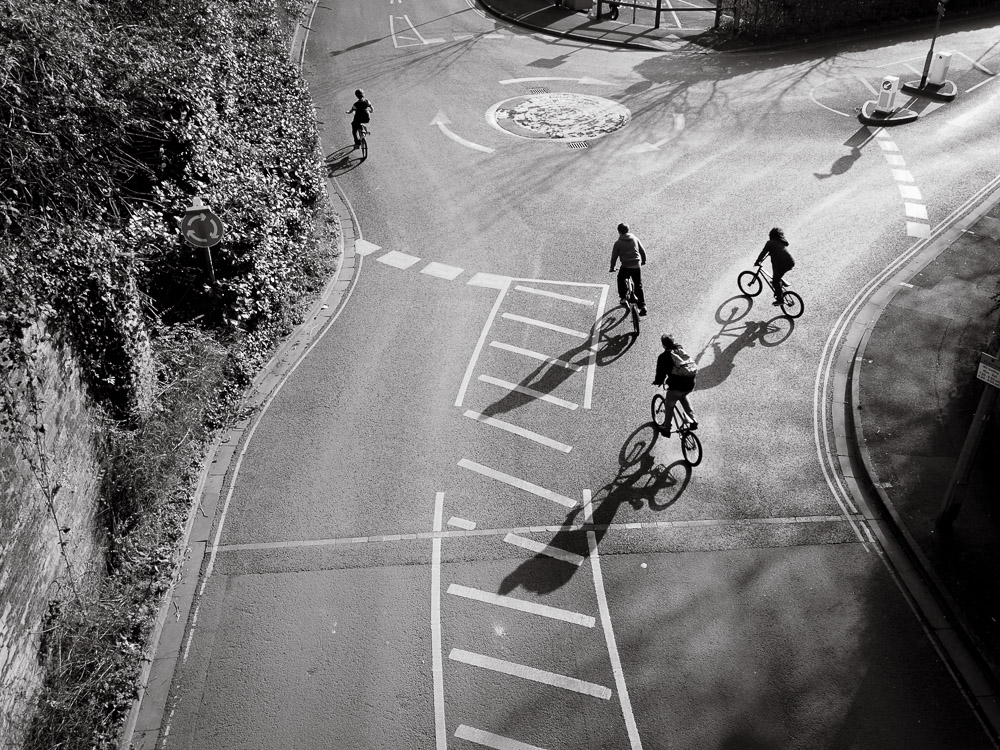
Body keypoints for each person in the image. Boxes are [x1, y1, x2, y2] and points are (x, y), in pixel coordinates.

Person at [653, 334, 698, 436]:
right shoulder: (680, 349)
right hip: (690, 384)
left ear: (663, 345)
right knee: (683, 396)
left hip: (676, 387)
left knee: (669, 406)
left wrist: (658, 381)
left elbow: (660, 374)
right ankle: (693, 420)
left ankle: (666, 429)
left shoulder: (663, 357)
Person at [609, 222, 647, 316]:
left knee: (621, 279)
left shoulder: (618, 243)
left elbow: (614, 257)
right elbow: (642, 250)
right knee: (638, 285)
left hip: (626, 266)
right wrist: (643, 261)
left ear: (619, 232)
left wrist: (612, 267)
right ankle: (642, 306)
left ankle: (623, 298)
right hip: (636, 265)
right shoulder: (634, 238)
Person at [755, 227, 795, 306]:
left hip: (781, 264)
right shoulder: (781, 241)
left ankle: (780, 300)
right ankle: (780, 283)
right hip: (790, 262)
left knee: (776, 281)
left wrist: (757, 261)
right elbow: (779, 250)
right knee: (777, 277)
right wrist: (772, 252)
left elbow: (763, 253)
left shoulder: (770, 243)